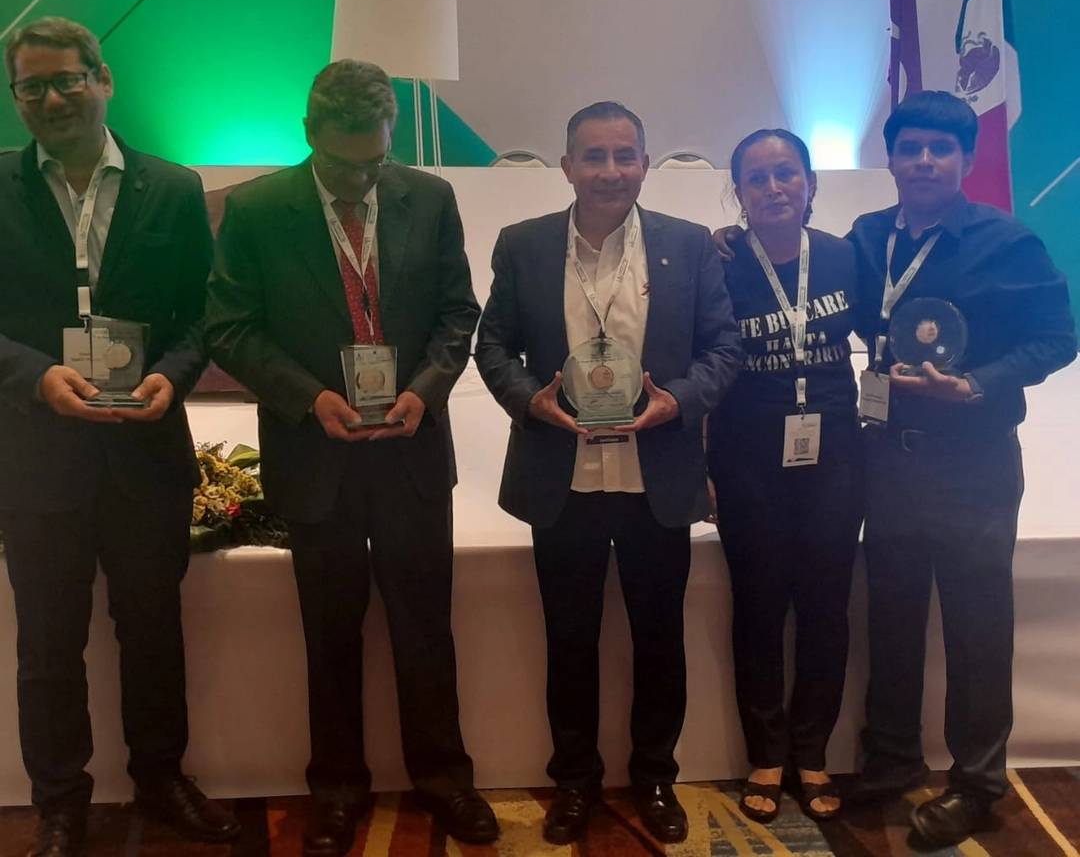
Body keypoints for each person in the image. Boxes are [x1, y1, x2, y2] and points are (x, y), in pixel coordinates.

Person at [203, 59, 496, 854]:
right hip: (315, 454)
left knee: (425, 629)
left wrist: (425, 390)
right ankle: (335, 790)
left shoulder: (429, 198)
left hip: (409, 450)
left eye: (375, 160)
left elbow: (457, 314)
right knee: (329, 634)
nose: (361, 179)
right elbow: (228, 327)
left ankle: (445, 780)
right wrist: (309, 398)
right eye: (342, 163)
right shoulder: (258, 209)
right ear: (309, 134)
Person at [0, 17, 239, 857]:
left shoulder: (172, 187)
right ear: (16, 98)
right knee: (48, 645)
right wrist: (37, 376)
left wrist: (173, 374)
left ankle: (162, 779)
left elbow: (202, 312)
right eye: (31, 86)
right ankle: (60, 805)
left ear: (104, 80)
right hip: (37, 458)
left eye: (67, 79)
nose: (52, 98)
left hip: (145, 451)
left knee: (152, 631)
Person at [475, 101, 743, 846]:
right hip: (563, 482)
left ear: (646, 164)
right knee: (570, 641)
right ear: (567, 167)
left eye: (625, 155)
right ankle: (575, 781)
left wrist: (677, 402)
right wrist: (529, 400)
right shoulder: (524, 244)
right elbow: (491, 345)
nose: (610, 171)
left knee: (659, 640)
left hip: (656, 479)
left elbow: (724, 350)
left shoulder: (688, 245)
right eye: (594, 156)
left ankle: (655, 777)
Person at [847, 91, 1076, 846]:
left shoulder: (1007, 242)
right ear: (891, 158)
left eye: (940, 149)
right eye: (910, 148)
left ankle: (977, 784)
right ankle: (891, 760)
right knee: (892, 617)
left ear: (965, 160)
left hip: (974, 464)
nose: (923, 161)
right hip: (888, 460)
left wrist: (976, 384)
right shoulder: (867, 236)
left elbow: (1058, 339)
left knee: (977, 628)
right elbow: (822, 293)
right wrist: (732, 241)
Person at [707, 129, 862, 824]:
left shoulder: (844, 256)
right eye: (757, 177)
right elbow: (702, 364)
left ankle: (812, 751)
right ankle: (766, 753)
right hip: (746, 462)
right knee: (760, 607)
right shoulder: (719, 263)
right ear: (738, 193)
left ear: (810, 183)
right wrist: (702, 468)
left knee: (826, 607)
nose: (773, 188)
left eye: (786, 173)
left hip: (836, 460)